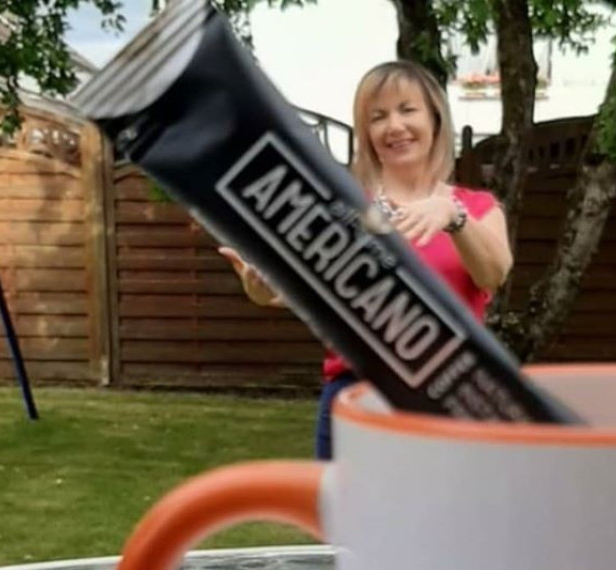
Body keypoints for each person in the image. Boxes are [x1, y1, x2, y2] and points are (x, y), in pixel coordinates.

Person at [219, 60, 512, 459]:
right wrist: (262, 288)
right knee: (349, 505)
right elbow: (303, 292)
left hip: (448, 398)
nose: (394, 126)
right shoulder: (342, 210)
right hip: (357, 399)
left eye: (407, 110)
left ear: (435, 119)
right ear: (368, 133)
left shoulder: (476, 207)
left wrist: (453, 216)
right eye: (378, 117)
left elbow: (494, 274)